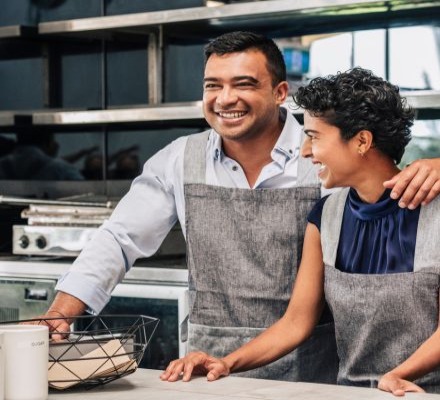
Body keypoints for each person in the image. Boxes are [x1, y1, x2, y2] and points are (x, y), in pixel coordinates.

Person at [38, 32, 440, 383]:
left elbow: (382, 181)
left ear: (280, 93)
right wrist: (62, 311)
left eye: (243, 84)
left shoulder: (326, 158)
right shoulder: (180, 159)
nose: (225, 98)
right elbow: (120, 238)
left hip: (311, 372)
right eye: (213, 85)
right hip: (210, 368)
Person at [160, 67, 440, 396]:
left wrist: (396, 376)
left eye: (315, 136)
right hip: (349, 394)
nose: (305, 151)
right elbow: (296, 322)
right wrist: (227, 362)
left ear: (362, 141)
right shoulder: (326, 216)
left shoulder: (434, 212)